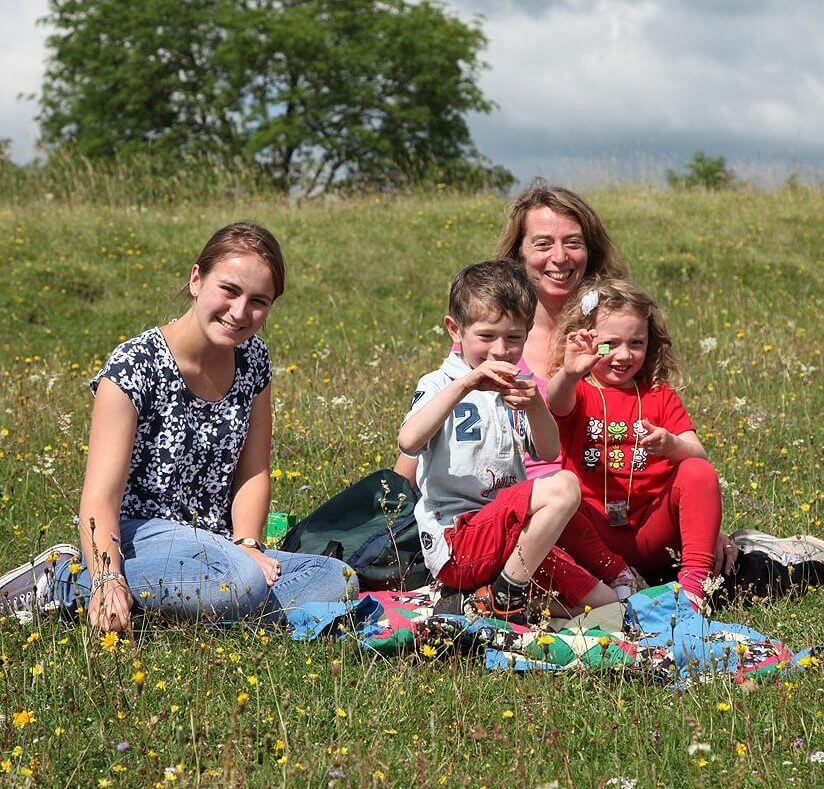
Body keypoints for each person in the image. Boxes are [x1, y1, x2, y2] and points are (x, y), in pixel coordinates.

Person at [0, 222, 356, 630]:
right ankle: (63, 580)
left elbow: (254, 470)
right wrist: (106, 575)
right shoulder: (134, 365)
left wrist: (247, 544)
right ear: (196, 279)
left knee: (335, 579)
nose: (240, 313)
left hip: (219, 548)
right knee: (242, 584)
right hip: (140, 537)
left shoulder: (253, 357)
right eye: (229, 290)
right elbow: (100, 499)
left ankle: (183, 610)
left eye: (258, 301)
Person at [546, 279, 824, 609]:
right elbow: (555, 402)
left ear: (650, 344)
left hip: (653, 531)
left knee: (697, 471)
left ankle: (693, 587)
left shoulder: (657, 395)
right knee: (554, 493)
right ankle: (620, 575)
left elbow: (699, 455)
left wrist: (672, 444)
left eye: (636, 343)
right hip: (594, 536)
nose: (623, 355)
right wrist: (569, 372)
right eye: (610, 344)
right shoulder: (577, 390)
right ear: (588, 342)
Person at [397, 259, 619, 620]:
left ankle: (489, 601)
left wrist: (535, 405)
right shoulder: (440, 384)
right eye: (486, 337)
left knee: (606, 606)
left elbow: (548, 451)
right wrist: (466, 384)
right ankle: (506, 594)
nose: (501, 350)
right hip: (458, 540)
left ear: (528, 333)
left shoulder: (518, 389)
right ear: (456, 330)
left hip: (514, 544)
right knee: (564, 486)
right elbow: (409, 441)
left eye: (514, 338)